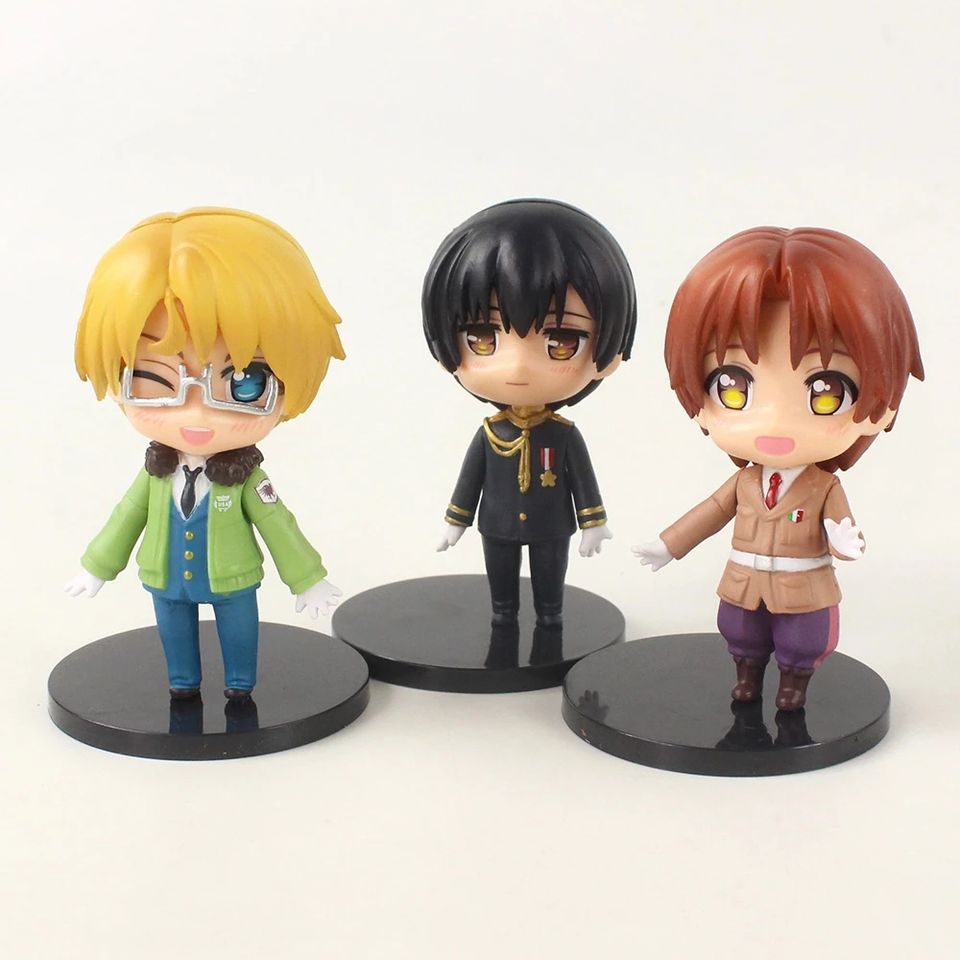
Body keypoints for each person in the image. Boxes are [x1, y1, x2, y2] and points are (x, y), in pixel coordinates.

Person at [633, 227, 923, 710]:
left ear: (882, 404)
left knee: (800, 641)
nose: (774, 421)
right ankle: (747, 676)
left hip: (802, 587)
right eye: (732, 387)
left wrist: (845, 542)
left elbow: (842, 530)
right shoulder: (745, 481)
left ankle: (793, 685)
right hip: (744, 582)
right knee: (740, 632)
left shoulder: (823, 487)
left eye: (826, 392)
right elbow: (709, 512)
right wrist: (669, 545)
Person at [65, 208, 345, 700]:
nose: (196, 412)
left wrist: (307, 580)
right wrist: (97, 566)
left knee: (240, 634)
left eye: (243, 383)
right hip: (165, 578)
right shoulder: (155, 474)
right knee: (173, 635)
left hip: (233, 579)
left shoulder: (246, 478)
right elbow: (126, 516)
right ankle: (182, 684)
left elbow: (278, 524)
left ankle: (239, 684)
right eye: (155, 380)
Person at [423, 199, 637, 627]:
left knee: (550, 582)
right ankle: (503, 616)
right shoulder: (489, 432)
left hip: (551, 525)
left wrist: (593, 522)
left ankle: (550, 617)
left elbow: (583, 481)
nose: (519, 368)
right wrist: (456, 521)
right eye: (482, 338)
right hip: (497, 524)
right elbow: (469, 482)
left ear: (609, 354)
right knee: (501, 585)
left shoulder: (563, 434)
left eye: (561, 342)